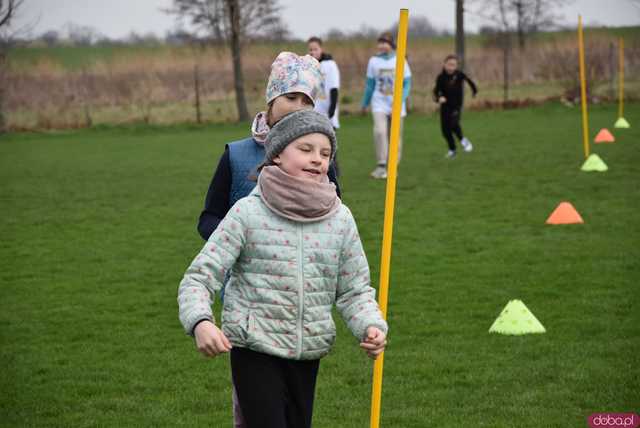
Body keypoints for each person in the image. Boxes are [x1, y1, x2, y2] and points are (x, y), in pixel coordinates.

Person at [178, 109, 388, 428]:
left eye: (325, 153)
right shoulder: (247, 213)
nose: (318, 159)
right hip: (254, 349)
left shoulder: (340, 219)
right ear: (276, 155)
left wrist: (371, 326)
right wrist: (200, 322)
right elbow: (199, 277)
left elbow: (354, 290)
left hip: (308, 352)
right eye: (305, 149)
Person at [196, 51, 341, 428]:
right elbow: (208, 216)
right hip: (249, 303)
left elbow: (334, 219)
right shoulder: (237, 155)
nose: (298, 107)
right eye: (290, 97)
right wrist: (237, 239)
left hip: (302, 305)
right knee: (253, 413)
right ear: (271, 100)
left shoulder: (322, 155)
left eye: (307, 100)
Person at [361, 32, 412, 179]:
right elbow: (370, 85)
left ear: (391, 45)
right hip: (379, 103)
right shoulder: (373, 61)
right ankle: (381, 165)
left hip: (397, 104)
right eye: (380, 43)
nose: (382, 46)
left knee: (395, 136)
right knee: (380, 131)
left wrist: (401, 98)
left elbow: (407, 82)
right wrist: (364, 103)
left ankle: (393, 167)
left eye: (385, 43)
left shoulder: (400, 59)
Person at [433, 54, 478, 159]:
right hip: (445, 107)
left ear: (456, 66)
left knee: (454, 124)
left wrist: (474, 91)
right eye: (449, 64)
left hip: (456, 106)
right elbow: (435, 92)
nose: (451, 67)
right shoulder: (440, 78)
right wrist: (439, 98)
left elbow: (470, 82)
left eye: (453, 65)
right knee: (445, 131)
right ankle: (452, 150)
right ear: (444, 65)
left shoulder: (459, 75)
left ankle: (463, 140)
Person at [307, 36, 340, 129]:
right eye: (310, 49)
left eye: (315, 49)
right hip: (313, 112)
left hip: (327, 111)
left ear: (321, 49)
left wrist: (332, 109)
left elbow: (334, 87)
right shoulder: (309, 66)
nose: (312, 52)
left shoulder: (330, 65)